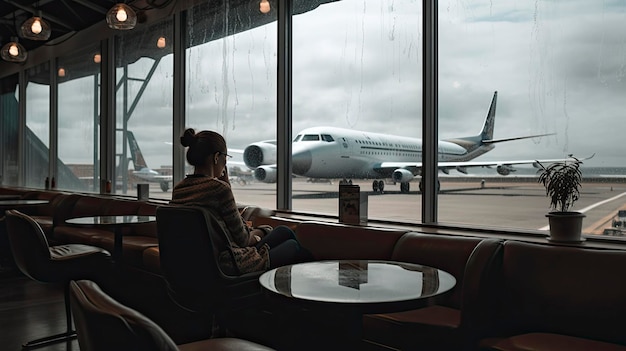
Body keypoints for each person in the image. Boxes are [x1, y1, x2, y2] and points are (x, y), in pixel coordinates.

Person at [170, 128, 308, 275]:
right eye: (225, 157)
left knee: (283, 231)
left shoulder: (179, 189)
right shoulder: (219, 189)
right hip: (228, 263)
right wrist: (262, 231)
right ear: (216, 157)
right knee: (292, 246)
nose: (225, 162)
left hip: (197, 261)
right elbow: (242, 239)